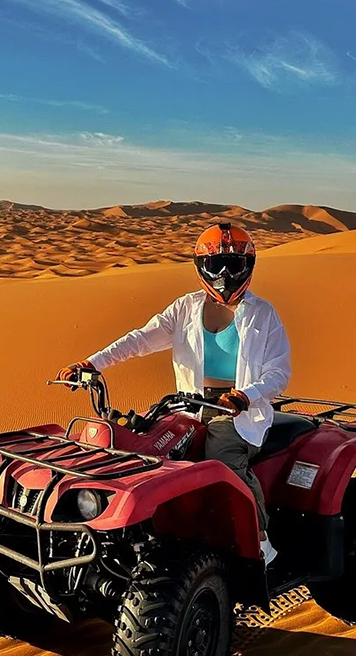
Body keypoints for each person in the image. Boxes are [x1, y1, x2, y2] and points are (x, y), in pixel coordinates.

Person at [56, 222, 290, 565]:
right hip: (187, 407)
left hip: (238, 414)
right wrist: (92, 363)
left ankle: (260, 539)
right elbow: (139, 339)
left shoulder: (263, 315)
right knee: (147, 449)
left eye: (234, 265)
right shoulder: (184, 309)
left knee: (223, 460)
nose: (224, 273)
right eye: (215, 265)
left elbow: (278, 372)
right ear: (201, 268)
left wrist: (246, 395)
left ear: (248, 266)